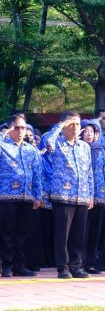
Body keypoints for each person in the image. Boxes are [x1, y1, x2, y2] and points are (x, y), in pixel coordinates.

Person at [45, 111, 94, 279]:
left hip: (82, 196)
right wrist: (60, 124)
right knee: (62, 235)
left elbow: (89, 173)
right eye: (71, 124)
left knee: (79, 235)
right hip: (63, 196)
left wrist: (91, 195)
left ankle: (76, 265)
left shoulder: (85, 147)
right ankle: (63, 267)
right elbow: (47, 141)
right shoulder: (57, 143)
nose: (75, 128)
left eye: (78, 124)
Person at [0, 115, 43, 277]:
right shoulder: (3, 146)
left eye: (23, 128)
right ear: (9, 129)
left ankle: (20, 265)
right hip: (6, 197)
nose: (20, 131)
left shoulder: (30, 149)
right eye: (16, 128)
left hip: (26, 197)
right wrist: (2, 134)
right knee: (6, 233)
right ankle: (7, 266)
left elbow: (37, 174)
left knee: (22, 234)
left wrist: (38, 196)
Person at [80, 119, 105, 274]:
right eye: (86, 131)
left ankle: (91, 263)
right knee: (82, 231)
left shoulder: (101, 150)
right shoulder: (79, 149)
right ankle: (79, 261)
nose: (89, 134)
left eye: (91, 132)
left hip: (99, 195)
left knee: (95, 232)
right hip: (83, 196)